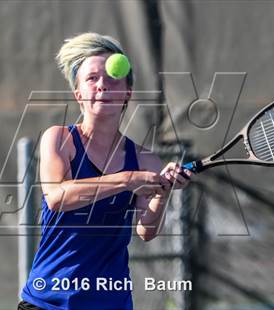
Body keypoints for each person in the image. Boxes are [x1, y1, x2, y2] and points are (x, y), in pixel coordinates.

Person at [18, 32, 191, 310]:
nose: (102, 86)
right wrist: (126, 180)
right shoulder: (60, 139)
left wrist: (163, 192)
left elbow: (147, 231)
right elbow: (58, 197)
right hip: (48, 302)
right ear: (79, 94)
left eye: (112, 79)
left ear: (127, 93)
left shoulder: (146, 160)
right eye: (92, 79)